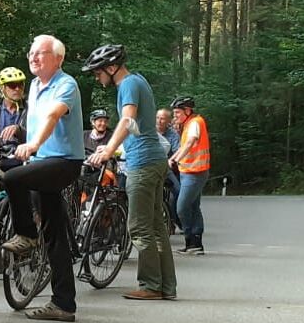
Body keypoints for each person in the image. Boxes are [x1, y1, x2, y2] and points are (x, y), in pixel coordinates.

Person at [0, 35, 86, 322]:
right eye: (31, 53)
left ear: (58, 59)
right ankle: (63, 303)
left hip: (63, 162)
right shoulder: (35, 86)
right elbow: (35, 123)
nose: (33, 57)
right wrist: (21, 137)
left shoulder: (65, 84)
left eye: (41, 53)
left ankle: (25, 234)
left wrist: (34, 145)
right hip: (41, 161)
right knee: (54, 234)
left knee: (13, 179)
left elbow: (52, 117)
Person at [83, 44, 175, 301]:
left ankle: (150, 285)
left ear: (112, 68)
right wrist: (112, 146)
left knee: (139, 226)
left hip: (143, 163)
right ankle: (166, 285)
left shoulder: (128, 85)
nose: (97, 77)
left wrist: (108, 149)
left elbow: (128, 120)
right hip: (155, 159)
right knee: (156, 225)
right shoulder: (138, 81)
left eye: (98, 72)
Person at [169, 96, 210, 255]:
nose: (175, 116)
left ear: (187, 111)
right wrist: (172, 159)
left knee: (182, 207)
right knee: (193, 206)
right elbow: (183, 146)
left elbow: (190, 142)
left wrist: (176, 159)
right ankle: (196, 244)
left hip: (195, 172)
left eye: (178, 112)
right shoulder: (187, 124)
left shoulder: (195, 123)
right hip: (188, 172)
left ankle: (190, 239)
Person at [157, 107, 181, 229]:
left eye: (162, 119)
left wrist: (171, 160)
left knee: (178, 191)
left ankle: (177, 218)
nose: (159, 121)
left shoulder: (173, 134)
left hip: (168, 168)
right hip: (153, 166)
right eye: (157, 118)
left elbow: (177, 150)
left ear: (168, 121)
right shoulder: (149, 131)